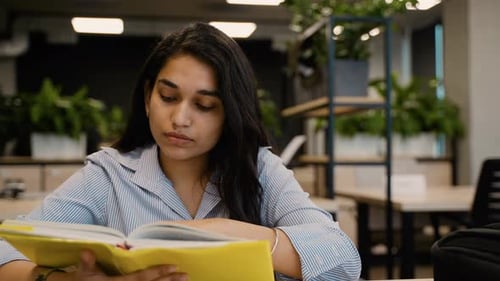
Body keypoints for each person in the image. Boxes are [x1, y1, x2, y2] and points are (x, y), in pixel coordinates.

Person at [0, 22, 361, 281]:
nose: (180, 118)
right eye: (168, 97)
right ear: (147, 98)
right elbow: (6, 247)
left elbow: (342, 259)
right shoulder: (108, 175)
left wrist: (225, 233)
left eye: (204, 105)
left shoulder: (259, 168)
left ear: (229, 113)